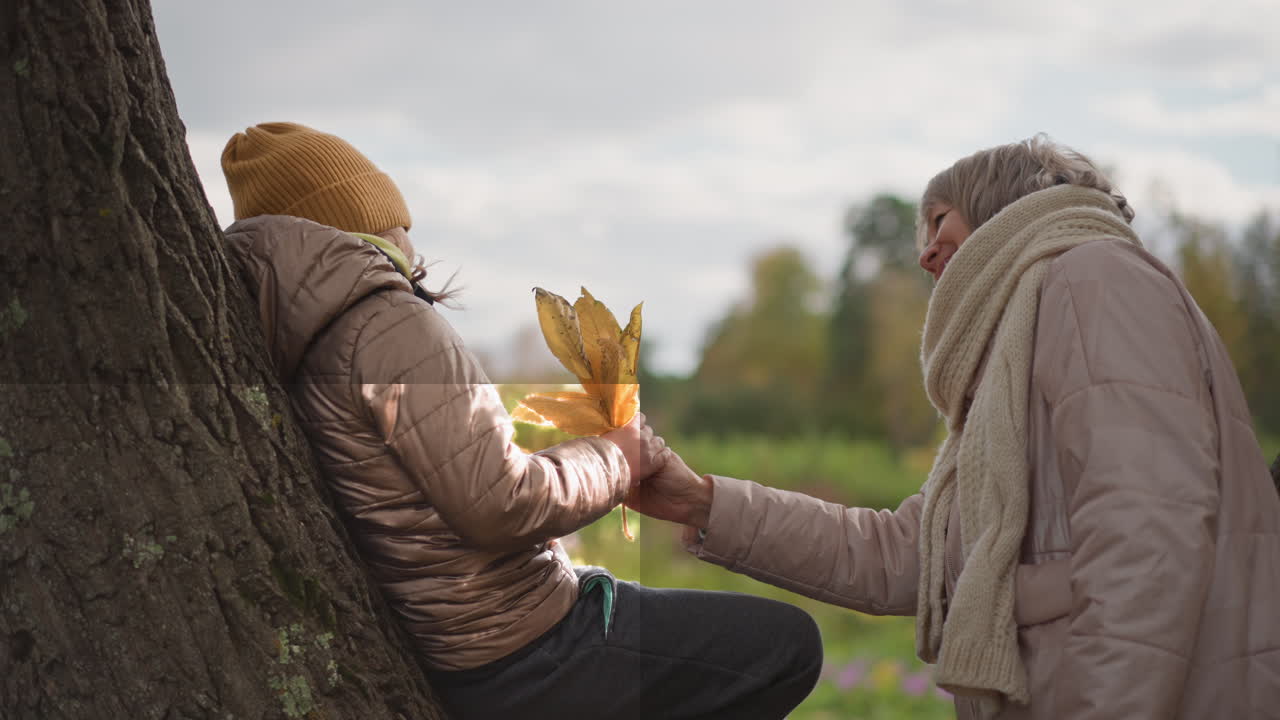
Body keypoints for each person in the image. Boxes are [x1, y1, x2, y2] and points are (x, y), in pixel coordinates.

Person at [629, 135, 1280, 719]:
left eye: (940, 222)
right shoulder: (1014, 357)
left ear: (1003, 205)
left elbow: (1147, 538)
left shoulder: (1096, 280)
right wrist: (701, 500)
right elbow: (904, 557)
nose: (926, 255)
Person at [218, 122, 821, 720]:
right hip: (525, 647)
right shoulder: (386, 321)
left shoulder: (302, 334)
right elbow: (498, 502)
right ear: (364, 218)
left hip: (466, 644)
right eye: (397, 217)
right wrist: (619, 457)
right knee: (787, 647)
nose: (411, 239)